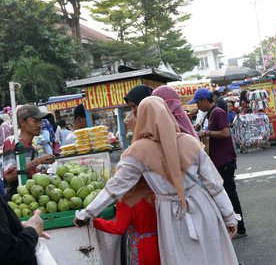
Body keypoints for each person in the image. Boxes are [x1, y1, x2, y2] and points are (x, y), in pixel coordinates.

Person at [76, 96, 239, 265]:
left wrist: (87, 213)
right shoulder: (190, 142)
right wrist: (229, 216)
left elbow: (114, 188)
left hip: (171, 216)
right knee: (212, 257)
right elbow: (213, 184)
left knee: (182, 259)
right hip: (204, 208)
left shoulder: (138, 151)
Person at [189, 88, 247, 238]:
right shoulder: (212, 114)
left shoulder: (218, 112)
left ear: (203, 101)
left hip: (225, 160)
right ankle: (235, 226)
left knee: (229, 194)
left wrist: (207, 133)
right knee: (227, 194)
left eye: (198, 103)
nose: (197, 106)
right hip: (220, 160)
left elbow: (226, 133)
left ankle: (239, 227)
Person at [92, 178, 160, 265]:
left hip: (142, 248)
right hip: (159, 241)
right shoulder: (155, 192)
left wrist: (95, 222)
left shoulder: (128, 200)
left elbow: (118, 228)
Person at [2, 105, 55, 200]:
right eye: (35, 121)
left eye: (40, 121)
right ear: (22, 122)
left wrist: (48, 172)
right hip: (16, 200)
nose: (39, 125)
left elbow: (30, 176)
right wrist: (38, 161)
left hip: (30, 199)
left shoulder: (32, 148)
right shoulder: (13, 143)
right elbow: (8, 176)